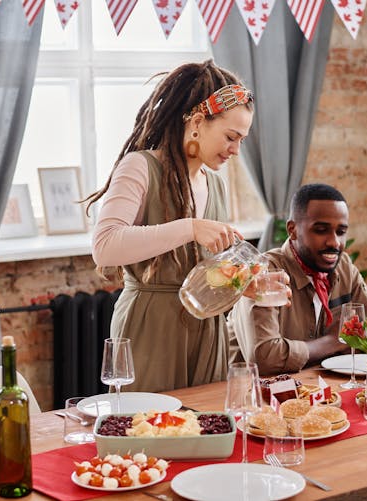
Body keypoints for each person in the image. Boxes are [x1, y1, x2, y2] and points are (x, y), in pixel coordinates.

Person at [87, 60, 253, 393]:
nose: (236, 150)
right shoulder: (139, 167)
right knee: (149, 435)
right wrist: (189, 227)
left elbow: (208, 273)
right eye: (231, 137)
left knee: (207, 434)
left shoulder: (216, 185)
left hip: (208, 333)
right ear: (197, 122)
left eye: (241, 140)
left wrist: (246, 284)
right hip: (150, 328)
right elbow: (105, 244)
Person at [227, 183, 367, 375]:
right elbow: (266, 359)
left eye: (341, 232)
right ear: (292, 230)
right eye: (321, 230)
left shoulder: (343, 267)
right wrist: (333, 341)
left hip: (316, 390)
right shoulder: (264, 272)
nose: (334, 242)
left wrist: (334, 344)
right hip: (247, 397)